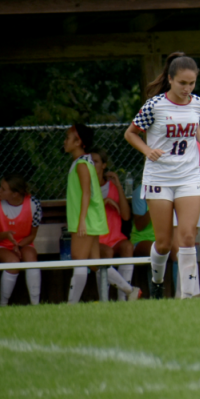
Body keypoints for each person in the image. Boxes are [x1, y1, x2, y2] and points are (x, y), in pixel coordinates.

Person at [124, 51, 200, 299]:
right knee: (163, 243)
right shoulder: (155, 105)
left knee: (187, 237)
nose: (187, 88)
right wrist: (147, 150)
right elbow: (130, 133)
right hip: (159, 179)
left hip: (188, 177)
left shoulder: (197, 103)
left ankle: (189, 294)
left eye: (191, 83)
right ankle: (157, 280)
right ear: (170, 79)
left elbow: (193, 124)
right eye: (182, 83)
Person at [91, 149, 143, 301]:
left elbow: (126, 216)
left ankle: (123, 298)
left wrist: (118, 185)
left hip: (115, 237)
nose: (92, 164)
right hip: (97, 239)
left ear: (104, 165)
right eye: (90, 161)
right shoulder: (87, 187)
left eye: (96, 161)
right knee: (106, 252)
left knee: (127, 246)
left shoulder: (112, 186)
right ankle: (104, 299)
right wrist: (104, 202)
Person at [65, 123, 108, 304]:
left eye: (68, 138)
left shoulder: (82, 164)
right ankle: (129, 290)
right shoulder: (83, 162)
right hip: (90, 219)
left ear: (79, 142)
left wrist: (82, 220)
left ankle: (71, 305)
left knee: (79, 259)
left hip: (86, 220)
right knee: (95, 263)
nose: (65, 141)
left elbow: (87, 192)